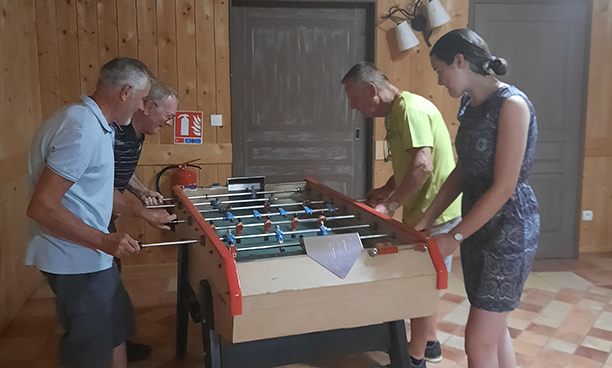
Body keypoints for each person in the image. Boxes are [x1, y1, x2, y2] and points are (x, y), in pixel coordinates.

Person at [415, 29, 539, 368]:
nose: (440, 81)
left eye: (440, 70)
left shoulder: (512, 105)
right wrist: (427, 219)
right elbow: (463, 170)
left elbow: (504, 187)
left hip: (508, 229)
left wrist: (454, 237)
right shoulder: (469, 103)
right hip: (477, 225)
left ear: (460, 61)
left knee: (478, 343)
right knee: (494, 333)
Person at [26, 57, 154, 368]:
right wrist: (103, 240)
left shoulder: (98, 125)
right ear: (125, 92)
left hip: (90, 255)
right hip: (74, 259)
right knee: (90, 351)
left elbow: (96, 189)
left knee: (114, 330)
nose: (141, 108)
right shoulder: (80, 127)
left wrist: (142, 213)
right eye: (140, 99)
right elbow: (42, 206)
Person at [342, 61, 462, 368]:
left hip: (436, 214)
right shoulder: (396, 114)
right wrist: (386, 189)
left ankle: (413, 359)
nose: (355, 108)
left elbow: (424, 166)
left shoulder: (411, 110)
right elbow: (410, 167)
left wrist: (390, 206)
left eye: (355, 100)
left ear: (372, 90)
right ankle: (431, 343)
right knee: (425, 281)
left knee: (421, 286)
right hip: (424, 212)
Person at [110, 82, 179, 362]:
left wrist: (141, 191)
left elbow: (120, 172)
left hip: (107, 218)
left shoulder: (137, 135)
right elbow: (101, 182)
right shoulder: (115, 133)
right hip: (88, 221)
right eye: (168, 115)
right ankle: (111, 348)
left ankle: (120, 343)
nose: (170, 122)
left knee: (112, 280)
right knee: (105, 287)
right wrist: (143, 212)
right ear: (148, 107)